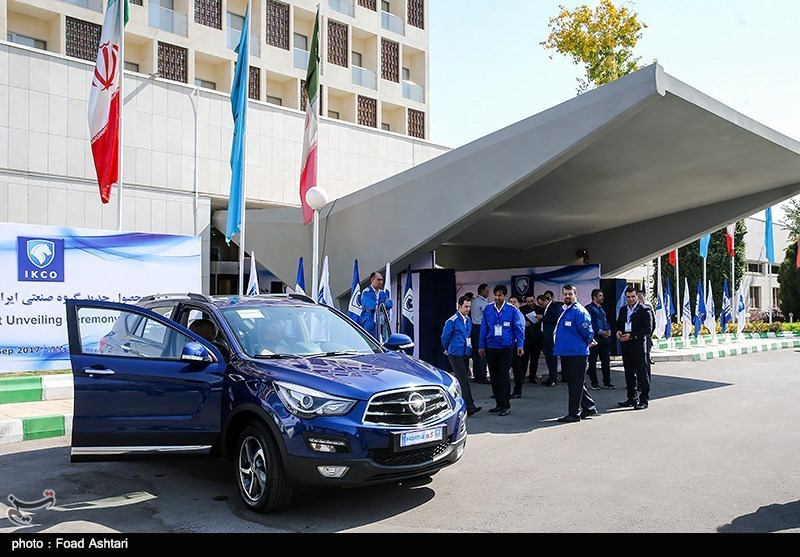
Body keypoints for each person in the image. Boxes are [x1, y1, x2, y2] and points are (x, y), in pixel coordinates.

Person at [553, 284, 598, 423]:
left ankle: (574, 413)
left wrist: (589, 341)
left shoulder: (579, 311)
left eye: (570, 294)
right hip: (567, 352)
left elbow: (587, 331)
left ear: (575, 295)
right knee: (576, 382)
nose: (567, 296)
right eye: (565, 294)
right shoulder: (565, 309)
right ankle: (589, 407)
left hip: (577, 353)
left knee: (575, 384)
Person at [478, 285, 525, 416]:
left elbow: (518, 329)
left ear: (504, 296)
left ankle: (505, 404)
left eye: (500, 295)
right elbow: (483, 329)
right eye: (496, 295)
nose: (497, 298)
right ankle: (498, 403)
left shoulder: (511, 310)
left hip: (506, 347)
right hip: (491, 346)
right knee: (493, 375)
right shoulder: (488, 309)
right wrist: (481, 346)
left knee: (503, 375)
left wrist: (520, 345)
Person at [441, 296, 482, 416]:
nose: (468, 309)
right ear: (459, 306)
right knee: (463, 380)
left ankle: (465, 404)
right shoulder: (452, 321)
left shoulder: (468, 321)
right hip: (455, 353)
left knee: (464, 380)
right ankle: (470, 406)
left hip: (465, 353)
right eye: (466, 306)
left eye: (469, 307)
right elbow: (445, 337)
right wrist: (448, 349)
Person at [616, 285, 653, 410]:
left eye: (632, 297)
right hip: (626, 347)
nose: (630, 299)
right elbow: (619, 324)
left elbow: (647, 329)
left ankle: (644, 399)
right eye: (628, 297)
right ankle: (631, 398)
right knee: (629, 373)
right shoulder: (623, 310)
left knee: (642, 374)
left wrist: (631, 336)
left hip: (638, 347)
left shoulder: (644, 310)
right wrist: (619, 331)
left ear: (637, 296)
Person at [586, 288, 615, 390]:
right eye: (600, 296)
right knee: (593, 361)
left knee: (606, 361)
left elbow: (605, 321)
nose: (602, 297)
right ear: (594, 297)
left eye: (602, 295)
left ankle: (607, 382)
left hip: (605, 340)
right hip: (594, 339)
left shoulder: (601, 309)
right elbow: (589, 323)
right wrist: (599, 331)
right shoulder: (589, 308)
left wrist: (609, 330)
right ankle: (594, 382)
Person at [360, 271, 393, 340]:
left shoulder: (382, 293)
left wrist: (381, 306)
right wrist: (382, 305)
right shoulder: (366, 292)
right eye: (378, 280)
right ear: (372, 280)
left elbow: (390, 304)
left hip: (382, 324)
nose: (381, 282)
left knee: (385, 342)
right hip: (370, 324)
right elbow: (371, 306)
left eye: (382, 280)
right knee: (371, 344)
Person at [508, 296, 529, 398]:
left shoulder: (519, 315)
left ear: (519, 304)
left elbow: (520, 332)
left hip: (517, 344)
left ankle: (518, 391)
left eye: (514, 302)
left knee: (517, 369)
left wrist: (520, 345)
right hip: (509, 344)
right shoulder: (509, 314)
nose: (512, 304)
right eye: (510, 302)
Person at [540, 290, 562, 387]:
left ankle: (554, 378)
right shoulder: (546, 308)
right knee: (548, 359)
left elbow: (556, 319)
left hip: (551, 337)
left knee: (552, 358)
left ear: (546, 301)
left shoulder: (554, 307)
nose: (541, 306)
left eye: (542, 304)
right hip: (545, 336)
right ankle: (550, 377)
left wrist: (543, 318)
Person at [470, 284, 490, 384]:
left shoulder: (473, 302)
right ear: (482, 291)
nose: (488, 293)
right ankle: (482, 376)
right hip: (481, 328)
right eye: (487, 291)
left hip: (474, 328)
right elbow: (489, 316)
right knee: (482, 352)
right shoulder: (483, 303)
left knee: (475, 353)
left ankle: (477, 375)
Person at [636, 285, 656, 378]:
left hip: (644, 338)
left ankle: (644, 381)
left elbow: (651, 325)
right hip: (633, 340)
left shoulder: (646, 309)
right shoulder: (628, 310)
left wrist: (648, 335)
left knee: (644, 361)